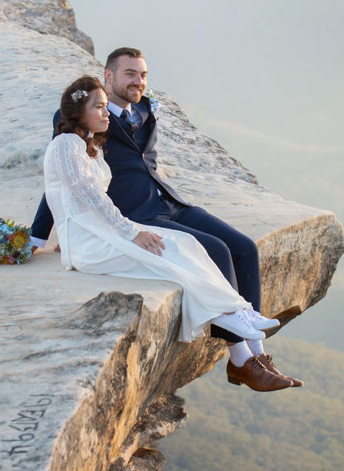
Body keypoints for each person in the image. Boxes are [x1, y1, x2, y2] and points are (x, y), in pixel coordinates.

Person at [33, 50, 302, 391]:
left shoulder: (144, 109)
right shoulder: (77, 128)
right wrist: (37, 236)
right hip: (137, 213)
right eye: (130, 73)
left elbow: (134, 166)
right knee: (213, 251)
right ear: (108, 76)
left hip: (168, 200)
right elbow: (71, 187)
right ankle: (242, 359)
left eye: (143, 74)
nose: (138, 81)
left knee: (245, 248)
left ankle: (258, 352)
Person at [44, 76, 268, 346]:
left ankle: (238, 309)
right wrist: (131, 232)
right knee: (166, 253)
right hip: (86, 242)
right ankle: (227, 311)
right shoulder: (66, 144)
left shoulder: (89, 145)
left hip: (98, 230)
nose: (106, 113)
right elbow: (89, 197)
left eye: (106, 106)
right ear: (79, 112)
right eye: (99, 107)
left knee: (185, 242)